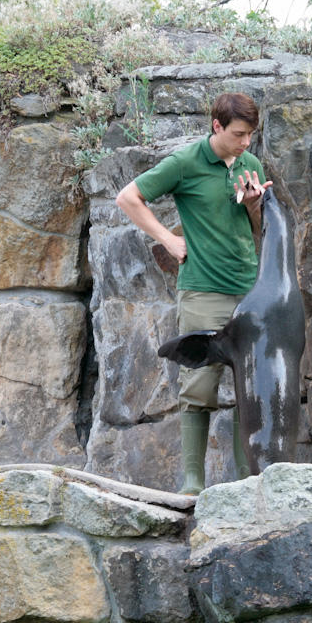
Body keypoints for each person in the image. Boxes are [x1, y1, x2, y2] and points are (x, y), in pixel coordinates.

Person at [115, 92, 273, 495]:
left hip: (249, 291)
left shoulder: (250, 164)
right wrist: (167, 238)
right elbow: (128, 198)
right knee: (199, 385)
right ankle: (191, 483)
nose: (245, 143)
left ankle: (244, 481)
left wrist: (255, 205)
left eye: (250, 135)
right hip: (203, 289)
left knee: (247, 386)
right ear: (216, 127)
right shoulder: (184, 163)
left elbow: (257, 230)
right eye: (238, 134)